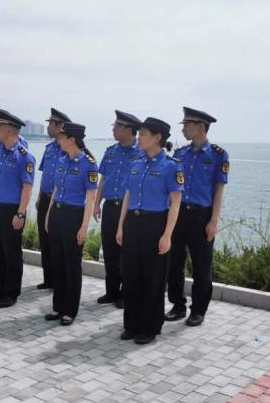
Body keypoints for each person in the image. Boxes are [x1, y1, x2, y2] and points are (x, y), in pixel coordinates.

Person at [116, 117, 183, 345]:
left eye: (143, 134)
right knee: (131, 275)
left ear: (158, 138)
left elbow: (175, 202)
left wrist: (167, 235)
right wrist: (121, 226)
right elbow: (127, 195)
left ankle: (150, 327)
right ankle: (131, 324)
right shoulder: (136, 163)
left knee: (153, 278)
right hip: (133, 224)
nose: (139, 137)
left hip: (156, 224)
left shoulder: (171, 166)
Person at [165, 107, 229, 326]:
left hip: (202, 216)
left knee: (201, 266)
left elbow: (219, 189)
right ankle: (178, 305)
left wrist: (213, 220)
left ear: (201, 127)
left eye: (187, 125)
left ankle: (198, 310)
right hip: (179, 213)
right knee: (174, 263)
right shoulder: (180, 154)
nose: (183, 129)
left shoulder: (218, 155)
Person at [44, 122, 98, 325]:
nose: (58, 139)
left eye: (62, 136)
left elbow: (91, 199)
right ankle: (58, 307)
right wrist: (49, 215)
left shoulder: (89, 164)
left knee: (71, 265)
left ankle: (70, 310)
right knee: (57, 263)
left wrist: (84, 227)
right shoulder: (61, 159)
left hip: (74, 216)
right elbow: (56, 190)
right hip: (57, 213)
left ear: (72, 140)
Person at [0, 109, 35, 308]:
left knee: (11, 253)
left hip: (11, 210)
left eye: (0, 126)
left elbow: (27, 188)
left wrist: (21, 213)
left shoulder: (24, 156)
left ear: (9, 129)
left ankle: (11, 293)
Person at [93, 110, 144, 309]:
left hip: (129, 210)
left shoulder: (140, 153)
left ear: (129, 130)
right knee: (110, 250)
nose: (114, 129)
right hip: (110, 208)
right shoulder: (110, 151)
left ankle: (126, 293)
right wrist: (96, 204)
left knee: (127, 253)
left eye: (117, 126)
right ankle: (111, 291)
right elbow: (102, 179)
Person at [36, 108, 71, 290]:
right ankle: (48, 278)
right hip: (45, 199)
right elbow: (45, 175)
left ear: (60, 126)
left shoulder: (69, 151)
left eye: (51, 123)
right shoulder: (49, 149)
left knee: (58, 244)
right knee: (45, 241)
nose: (48, 126)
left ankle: (59, 280)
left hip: (59, 203)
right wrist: (40, 197)